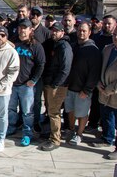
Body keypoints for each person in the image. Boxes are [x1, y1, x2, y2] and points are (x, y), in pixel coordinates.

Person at [92, 26, 117, 160]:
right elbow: (99, 66)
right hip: (103, 91)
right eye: (115, 35)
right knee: (107, 117)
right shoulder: (107, 48)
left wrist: (109, 89)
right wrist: (99, 83)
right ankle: (106, 138)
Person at [8, 18, 45, 146]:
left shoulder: (36, 46)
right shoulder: (13, 42)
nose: (22, 30)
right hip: (12, 84)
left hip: (26, 86)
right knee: (11, 109)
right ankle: (11, 128)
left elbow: (41, 64)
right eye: (20, 28)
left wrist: (33, 80)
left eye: (25, 28)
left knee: (27, 112)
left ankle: (27, 133)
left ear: (30, 30)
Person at [64, 22, 102, 146]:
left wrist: (87, 90)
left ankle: (79, 134)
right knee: (70, 110)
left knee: (82, 113)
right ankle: (71, 130)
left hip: (83, 90)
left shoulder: (93, 50)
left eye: (84, 31)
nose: (81, 33)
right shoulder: (73, 46)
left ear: (89, 33)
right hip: (70, 87)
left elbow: (94, 73)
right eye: (80, 30)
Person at [41, 22, 73, 151]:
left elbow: (65, 69)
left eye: (56, 30)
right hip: (50, 83)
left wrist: (55, 84)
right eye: (52, 30)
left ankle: (55, 140)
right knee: (50, 111)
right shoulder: (56, 44)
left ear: (62, 32)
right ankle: (51, 134)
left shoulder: (64, 47)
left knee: (54, 113)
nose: (53, 32)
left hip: (58, 86)